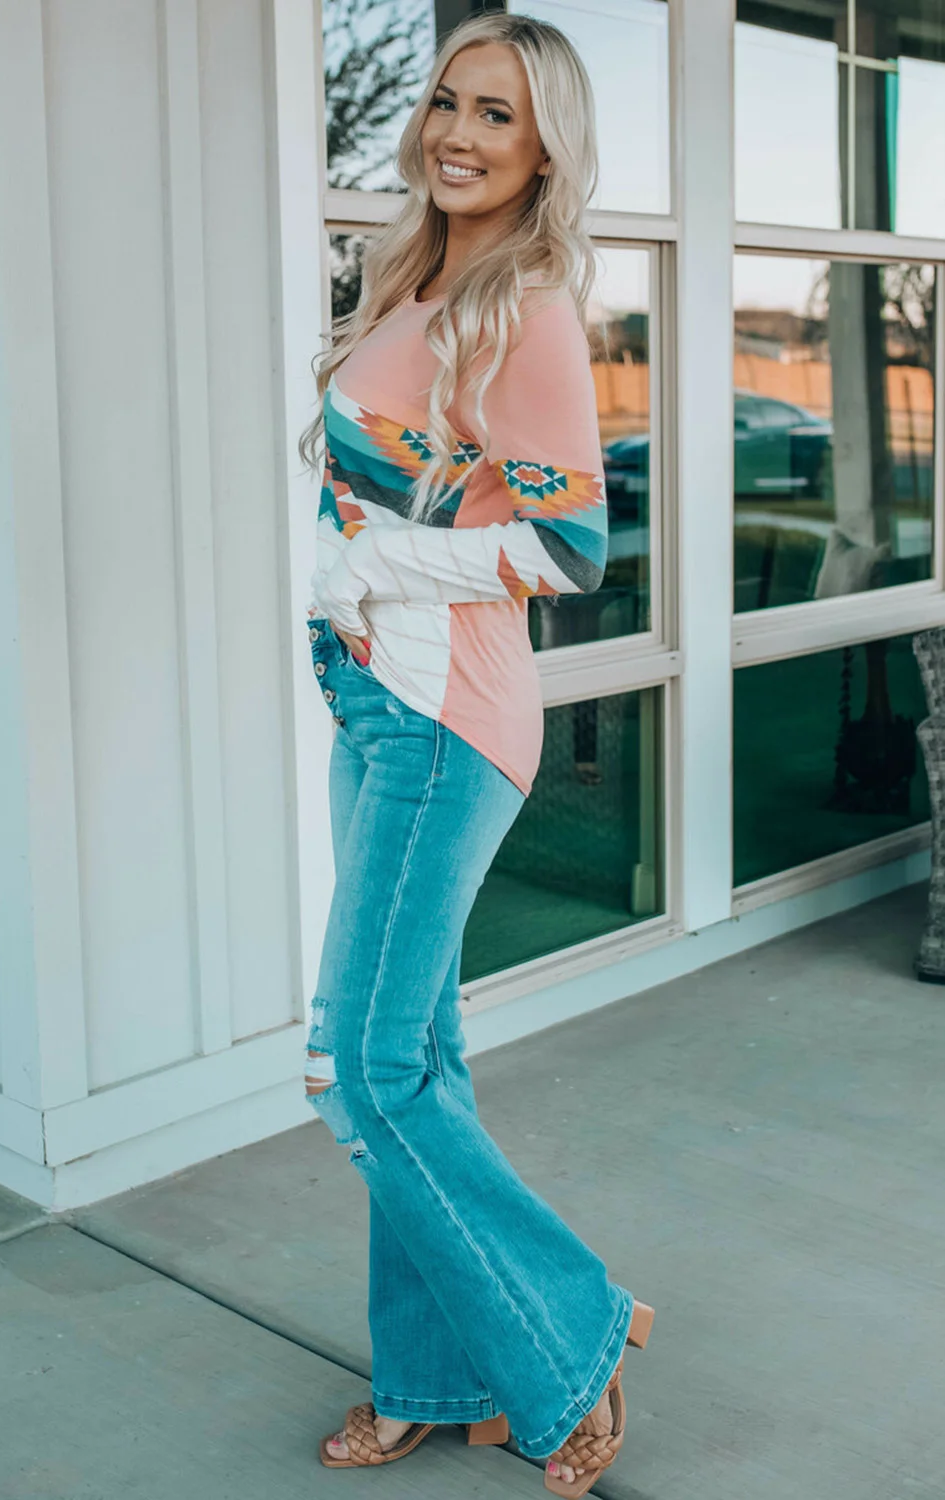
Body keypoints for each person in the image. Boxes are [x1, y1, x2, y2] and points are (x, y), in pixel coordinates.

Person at [297, 14, 652, 1496]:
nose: (456, 132)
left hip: (448, 722)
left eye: (496, 114)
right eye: (449, 100)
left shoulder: (532, 309)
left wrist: (373, 568)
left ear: (544, 146)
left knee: (361, 1068)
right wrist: (353, 575)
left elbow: (572, 548)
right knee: (416, 1063)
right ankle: (433, 1378)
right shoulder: (411, 280)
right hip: (374, 704)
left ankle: (569, 1332)